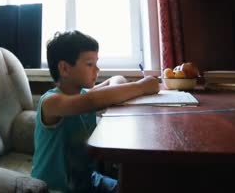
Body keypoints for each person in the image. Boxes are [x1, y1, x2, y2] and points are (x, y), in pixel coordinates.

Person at [31, 30, 160, 193]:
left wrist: (118, 88)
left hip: (88, 181)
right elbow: (92, 100)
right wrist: (141, 86)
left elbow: (117, 79)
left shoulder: (85, 94)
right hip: (55, 189)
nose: (97, 70)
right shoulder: (51, 102)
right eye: (90, 64)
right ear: (64, 68)